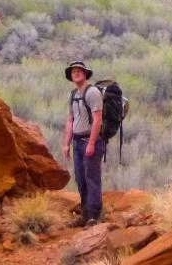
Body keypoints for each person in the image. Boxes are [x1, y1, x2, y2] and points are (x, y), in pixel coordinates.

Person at [62, 60, 105, 227]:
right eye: (74, 71)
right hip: (77, 142)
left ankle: (94, 217)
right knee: (81, 179)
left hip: (91, 141)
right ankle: (85, 215)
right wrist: (66, 144)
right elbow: (70, 120)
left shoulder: (92, 92)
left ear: (85, 74)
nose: (77, 73)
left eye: (80, 71)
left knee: (92, 178)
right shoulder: (73, 94)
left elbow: (97, 120)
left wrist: (92, 143)